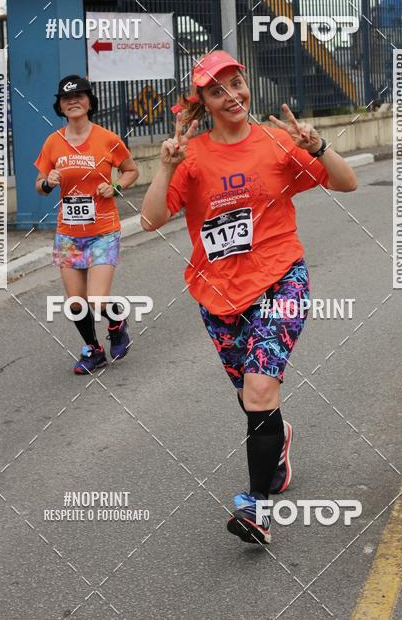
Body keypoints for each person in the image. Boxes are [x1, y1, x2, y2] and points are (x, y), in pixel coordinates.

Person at [140, 51, 357, 545]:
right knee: (250, 398)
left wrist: (319, 146)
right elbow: (151, 221)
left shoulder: (279, 142)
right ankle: (277, 442)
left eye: (236, 84)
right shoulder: (190, 156)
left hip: (281, 280)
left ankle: (256, 509)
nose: (232, 96)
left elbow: (348, 183)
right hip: (217, 292)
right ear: (205, 103)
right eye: (218, 91)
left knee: (260, 391)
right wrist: (164, 169)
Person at [35, 75, 139, 373]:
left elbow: (131, 170)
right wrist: (48, 182)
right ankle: (93, 351)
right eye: (67, 98)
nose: (73, 101)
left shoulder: (108, 139)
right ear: (60, 105)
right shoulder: (54, 142)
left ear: (90, 102)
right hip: (68, 234)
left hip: (103, 231)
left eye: (79, 96)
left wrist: (116, 187)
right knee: (76, 304)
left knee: (96, 299)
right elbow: (38, 183)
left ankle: (117, 321)